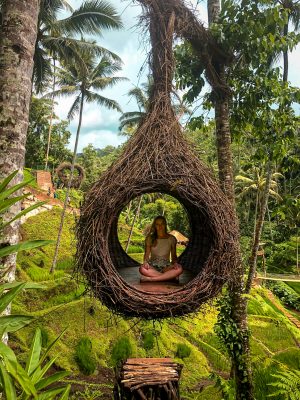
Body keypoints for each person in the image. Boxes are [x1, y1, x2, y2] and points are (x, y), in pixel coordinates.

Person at [139, 216, 183, 282]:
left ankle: (151, 279)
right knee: (142, 269)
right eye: (157, 224)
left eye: (162, 224)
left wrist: (175, 263)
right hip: (153, 266)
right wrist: (145, 263)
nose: (160, 226)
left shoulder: (172, 238)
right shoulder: (150, 238)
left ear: (165, 225)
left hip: (166, 267)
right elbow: (146, 255)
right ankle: (169, 277)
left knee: (179, 268)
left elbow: (174, 257)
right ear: (155, 226)